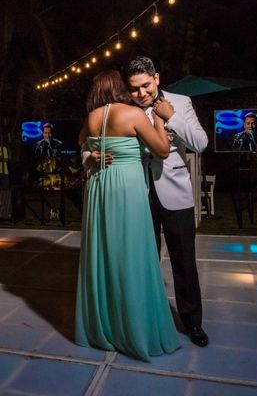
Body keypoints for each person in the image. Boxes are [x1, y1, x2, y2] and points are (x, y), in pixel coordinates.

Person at [86, 56, 209, 347]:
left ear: (157, 78)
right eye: (134, 89)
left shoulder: (181, 101)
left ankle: (193, 324)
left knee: (183, 261)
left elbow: (200, 143)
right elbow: (92, 140)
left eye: (146, 86)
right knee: (142, 260)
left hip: (174, 192)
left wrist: (172, 117)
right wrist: (89, 156)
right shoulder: (125, 110)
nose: (142, 94)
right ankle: (144, 320)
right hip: (136, 195)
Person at [76, 69, 180, 361]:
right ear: (119, 88)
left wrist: (91, 156)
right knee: (133, 254)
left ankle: (103, 328)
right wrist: (159, 121)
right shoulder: (133, 115)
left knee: (104, 254)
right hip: (126, 188)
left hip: (99, 187)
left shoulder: (92, 117)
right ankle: (134, 330)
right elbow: (161, 150)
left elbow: (81, 142)